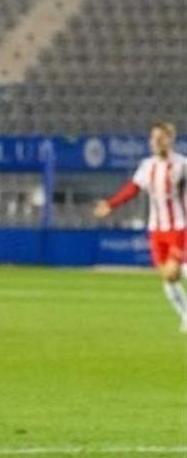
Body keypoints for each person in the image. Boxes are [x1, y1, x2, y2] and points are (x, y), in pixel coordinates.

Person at [94, 122, 187, 332]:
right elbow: (132, 188)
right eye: (152, 138)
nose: (154, 142)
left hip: (179, 227)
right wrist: (111, 204)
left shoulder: (182, 165)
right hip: (156, 229)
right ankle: (185, 315)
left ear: (169, 139)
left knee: (175, 271)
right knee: (167, 277)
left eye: (159, 138)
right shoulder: (147, 166)